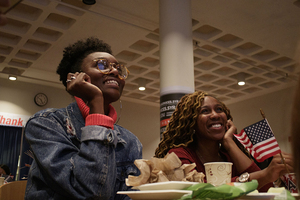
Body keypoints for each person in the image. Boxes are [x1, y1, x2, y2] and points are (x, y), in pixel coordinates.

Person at [24, 37, 143, 200]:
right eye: (102, 65)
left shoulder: (131, 141)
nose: (115, 72)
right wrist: (96, 101)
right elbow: (91, 192)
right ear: (75, 77)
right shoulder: (46, 123)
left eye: (118, 68)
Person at [155, 90, 293, 192]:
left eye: (219, 109)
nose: (215, 115)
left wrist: (229, 142)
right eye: (205, 111)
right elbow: (203, 191)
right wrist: (264, 174)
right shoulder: (179, 155)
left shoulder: (227, 155)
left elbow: (265, 187)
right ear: (191, 122)